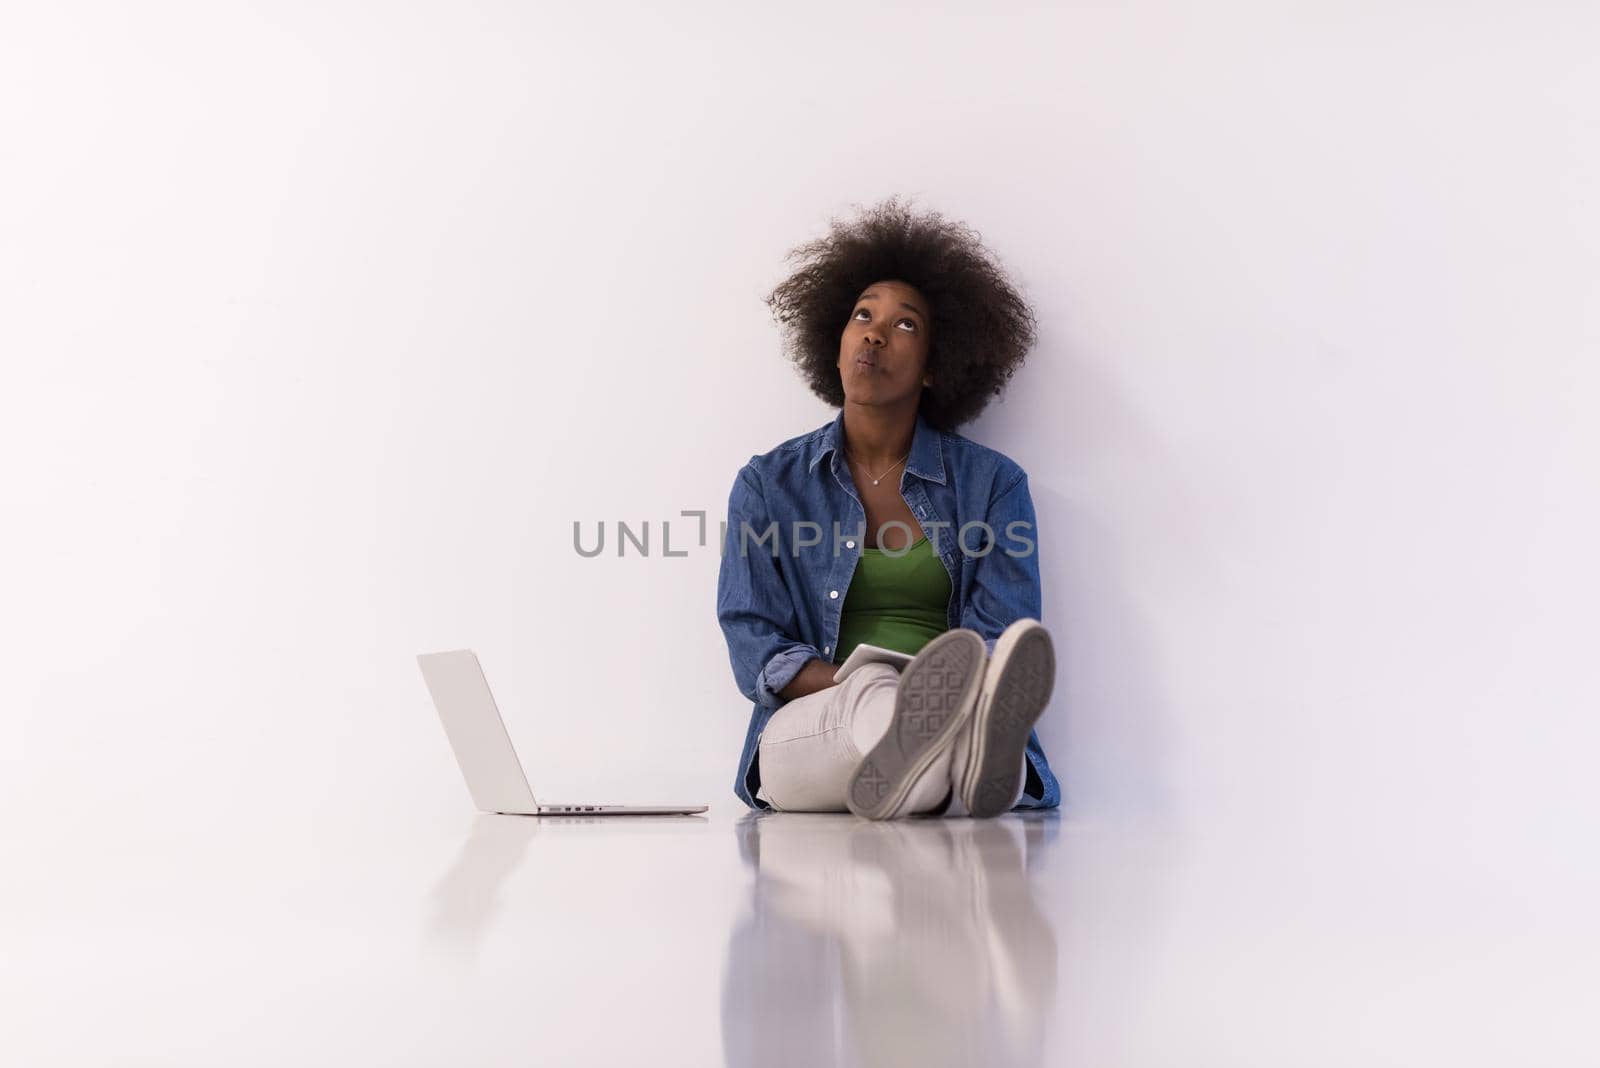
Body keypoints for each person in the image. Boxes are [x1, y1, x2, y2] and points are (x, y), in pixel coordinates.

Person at [716, 195, 1061, 820]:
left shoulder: (992, 486)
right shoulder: (768, 486)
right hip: (813, 727)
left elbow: (1002, 637)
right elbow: (752, 643)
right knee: (873, 696)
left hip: (947, 709)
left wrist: (953, 687)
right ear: (836, 339)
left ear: (934, 368)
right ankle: (970, 763)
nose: (874, 332)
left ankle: (943, 762)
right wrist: (874, 681)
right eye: (861, 315)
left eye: (905, 324)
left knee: (919, 751)